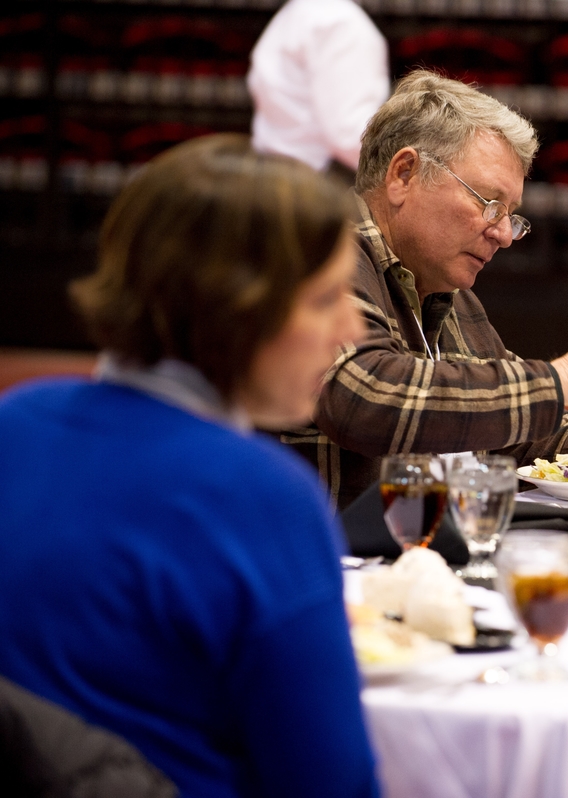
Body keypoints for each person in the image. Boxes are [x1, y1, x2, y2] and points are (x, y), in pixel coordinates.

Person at [0, 135, 377, 797]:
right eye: (325, 299)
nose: (353, 328)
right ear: (235, 308)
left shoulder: (16, 421)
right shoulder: (262, 494)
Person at [282, 69, 568, 508]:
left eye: (511, 214)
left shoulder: (448, 292)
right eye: (489, 203)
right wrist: (563, 378)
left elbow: (521, 431)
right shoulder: (320, 250)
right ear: (404, 174)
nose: (504, 233)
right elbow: (364, 397)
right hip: (325, 567)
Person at [248, 0, 390, 174]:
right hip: (315, 182)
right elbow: (351, 136)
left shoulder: (299, 10)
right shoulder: (341, 22)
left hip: (276, 173)